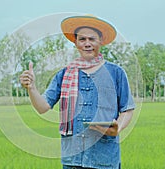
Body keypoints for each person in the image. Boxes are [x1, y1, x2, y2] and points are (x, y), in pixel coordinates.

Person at [19, 15, 135, 169]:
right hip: (72, 159)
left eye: (92, 39)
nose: (87, 44)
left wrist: (118, 128)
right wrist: (31, 88)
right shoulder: (64, 74)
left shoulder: (116, 73)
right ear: (75, 43)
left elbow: (127, 109)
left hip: (104, 158)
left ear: (100, 41)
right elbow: (43, 107)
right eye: (82, 39)